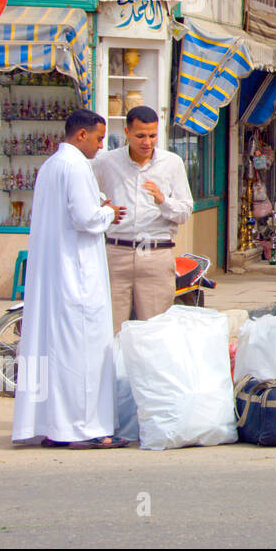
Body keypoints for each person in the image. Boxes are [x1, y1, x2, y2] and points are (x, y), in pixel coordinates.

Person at [12, 110, 129, 450]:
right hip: (76, 275)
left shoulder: (50, 166)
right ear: (80, 135)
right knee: (84, 352)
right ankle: (88, 427)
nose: (100, 146)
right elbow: (84, 218)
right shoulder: (76, 166)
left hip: (54, 275)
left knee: (54, 349)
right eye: (97, 138)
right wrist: (110, 212)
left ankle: (56, 427)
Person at [92, 105, 195, 332]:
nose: (146, 142)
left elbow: (185, 211)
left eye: (152, 136)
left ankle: (149, 368)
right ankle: (113, 368)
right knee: (109, 329)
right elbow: (84, 193)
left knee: (154, 329)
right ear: (127, 133)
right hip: (116, 254)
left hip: (155, 254)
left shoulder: (172, 163)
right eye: (140, 136)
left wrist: (162, 200)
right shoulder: (106, 162)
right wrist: (101, 207)